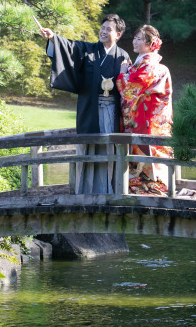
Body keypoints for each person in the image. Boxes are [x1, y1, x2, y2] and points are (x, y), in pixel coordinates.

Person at [40, 14, 130, 193]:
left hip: (112, 111)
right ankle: (86, 189)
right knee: (88, 146)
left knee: (109, 147)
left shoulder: (123, 56)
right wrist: (53, 38)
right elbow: (70, 47)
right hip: (90, 108)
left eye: (108, 29)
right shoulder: (88, 49)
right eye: (102, 28)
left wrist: (125, 75)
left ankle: (110, 190)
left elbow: (128, 87)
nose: (103, 32)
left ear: (118, 34)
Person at [116, 24, 173, 196]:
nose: (134, 41)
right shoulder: (139, 65)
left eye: (139, 39)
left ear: (151, 44)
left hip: (150, 122)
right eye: (134, 38)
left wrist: (122, 74)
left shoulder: (152, 66)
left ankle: (153, 189)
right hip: (140, 121)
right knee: (139, 154)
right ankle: (141, 188)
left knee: (150, 153)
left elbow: (131, 88)